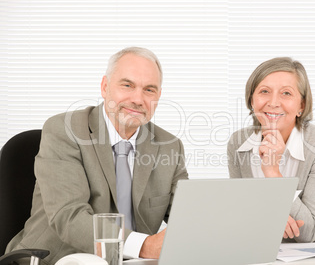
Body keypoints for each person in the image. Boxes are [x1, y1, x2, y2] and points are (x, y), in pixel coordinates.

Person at [6, 47, 188, 263]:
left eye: (149, 90)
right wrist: (145, 246)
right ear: (105, 87)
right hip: (56, 259)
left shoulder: (169, 146)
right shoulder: (64, 130)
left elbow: (187, 216)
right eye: (127, 85)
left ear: (158, 96)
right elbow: (70, 217)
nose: (138, 99)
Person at [227, 57, 315, 242]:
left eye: (286, 93)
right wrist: (269, 219)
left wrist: (272, 172)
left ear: (301, 106)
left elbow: (309, 232)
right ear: (251, 100)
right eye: (264, 91)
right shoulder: (238, 143)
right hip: (274, 248)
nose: (273, 102)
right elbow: (242, 212)